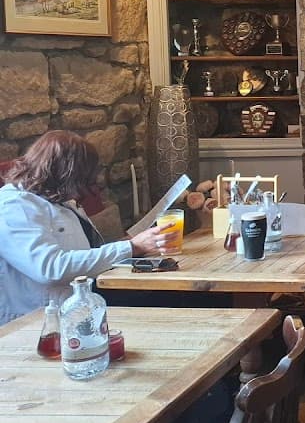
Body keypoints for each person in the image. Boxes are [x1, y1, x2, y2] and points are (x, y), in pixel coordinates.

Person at [0, 130, 176, 325]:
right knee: (170, 303)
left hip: (83, 301)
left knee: (173, 297)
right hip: (42, 320)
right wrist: (131, 247)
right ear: (63, 173)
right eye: (81, 179)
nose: (84, 188)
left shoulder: (57, 198)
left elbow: (84, 253)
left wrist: (131, 243)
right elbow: (50, 268)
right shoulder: (14, 206)